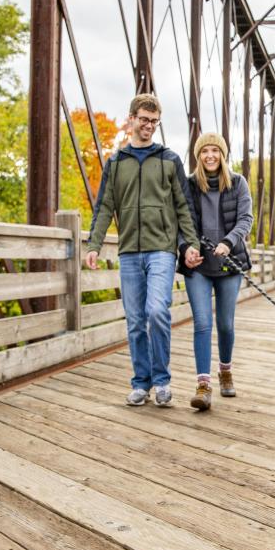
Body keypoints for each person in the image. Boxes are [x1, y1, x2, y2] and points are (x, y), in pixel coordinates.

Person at [84, 94, 202, 407]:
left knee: (156, 312)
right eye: (144, 120)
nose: (148, 126)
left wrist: (190, 244)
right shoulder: (115, 162)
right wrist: (94, 245)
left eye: (154, 122)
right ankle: (141, 383)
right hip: (129, 253)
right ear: (131, 120)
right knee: (135, 321)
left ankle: (162, 380)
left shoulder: (169, 160)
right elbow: (104, 206)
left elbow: (184, 206)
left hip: (161, 249)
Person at [179, 133, 254, 412]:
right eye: (204, 151)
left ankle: (225, 370)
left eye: (215, 150)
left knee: (225, 324)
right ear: (198, 156)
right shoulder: (187, 184)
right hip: (198, 264)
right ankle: (203, 385)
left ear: (222, 155)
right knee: (201, 322)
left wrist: (228, 242)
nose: (210, 155)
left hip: (228, 261)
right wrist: (186, 246)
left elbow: (246, 218)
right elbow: (181, 221)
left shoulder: (238, 183)